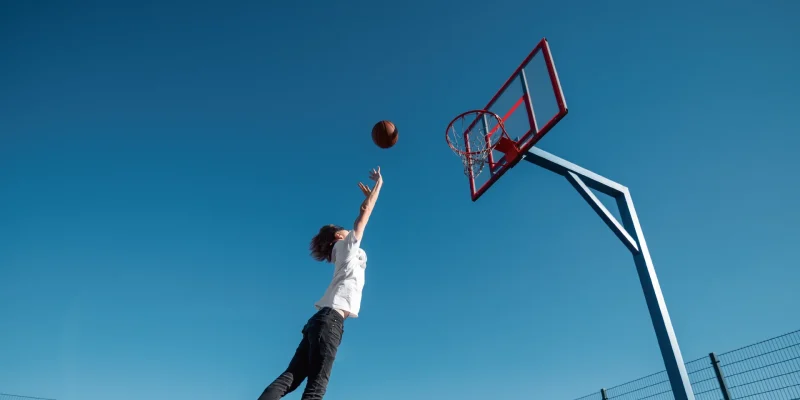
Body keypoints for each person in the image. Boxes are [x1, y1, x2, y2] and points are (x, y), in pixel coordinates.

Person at [258, 166, 384, 400]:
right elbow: (364, 214)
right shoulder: (346, 247)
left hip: (319, 321)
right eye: (344, 230)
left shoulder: (343, 253)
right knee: (316, 388)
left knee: (289, 378)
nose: (349, 230)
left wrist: (367, 199)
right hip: (330, 321)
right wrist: (378, 186)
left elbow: (362, 213)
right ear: (338, 236)